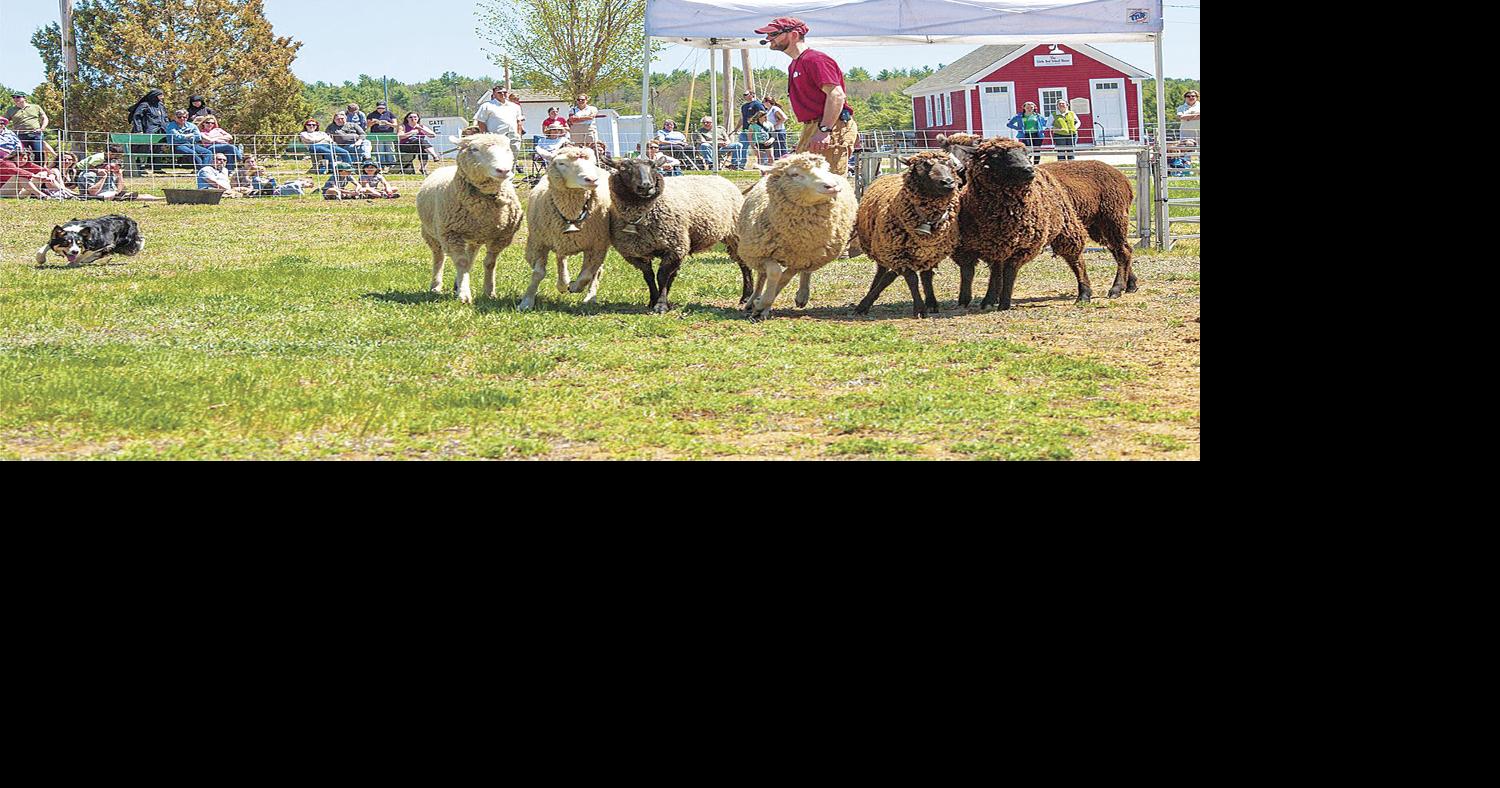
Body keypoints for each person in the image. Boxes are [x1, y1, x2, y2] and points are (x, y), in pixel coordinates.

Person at [757, 17, 859, 179]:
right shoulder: (795, 65)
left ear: (794, 35)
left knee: (827, 182)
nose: (768, 39)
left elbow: (836, 95)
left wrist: (824, 130)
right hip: (815, 126)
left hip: (831, 126)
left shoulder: (815, 60)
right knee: (803, 181)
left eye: (773, 34)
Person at [75, 146, 160, 201]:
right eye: (114, 159)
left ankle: (160, 199)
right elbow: (92, 193)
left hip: (113, 194)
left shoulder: (110, 173)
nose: (115, 166)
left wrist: (120, 176)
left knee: (142, 196)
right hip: (99, 194)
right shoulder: (92, 169)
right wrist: (102, 176)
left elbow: (119, 190)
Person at [473, 85, 524, 159]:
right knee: (497, 159)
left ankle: (511, 170)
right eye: (500, 93)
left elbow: (519, 121)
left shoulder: (515, 106)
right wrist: (486, 136)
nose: (503, 94)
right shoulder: (487, 106)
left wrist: (518, 135)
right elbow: (481, 122)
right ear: (494, 94)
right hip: (496, 138)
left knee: (512, 159)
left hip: (513, 137)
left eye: (505, 92)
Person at [126, 88, 171, 170]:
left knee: (158, 148)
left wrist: (168, 128)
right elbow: (137, 117)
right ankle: (138, 166)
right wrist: (138, 130)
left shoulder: (161, 105)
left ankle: (157, 168)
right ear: (155, 96)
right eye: (160, 95)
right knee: (144, 148)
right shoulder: (145, 105)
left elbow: (165, 118)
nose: (162, 97)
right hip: (148, 130)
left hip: (161, 130)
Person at [4, 92, 49, 161]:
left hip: (35, 134)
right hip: (19, 135)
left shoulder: (35, 107)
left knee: (38, 153)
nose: (15, 99)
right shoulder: (11, 110)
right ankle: (25, 170)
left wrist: (42, 128)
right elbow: (3, 121)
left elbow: (45, 118)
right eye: (14, 97)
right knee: (21, 154)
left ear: (24, 98)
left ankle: (40, 169)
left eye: (18, 97)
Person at [733, 89, 766, 168]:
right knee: (742, 147)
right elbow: (742, 118)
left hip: (755, 131)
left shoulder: (757, 104)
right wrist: (736, 128)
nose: (744, 96)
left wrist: (753, 120)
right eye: (744, 95)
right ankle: (740, 165)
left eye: (746, 94)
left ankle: (761, 164)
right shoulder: (744, 106)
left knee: (758, 148)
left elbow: (763, 115)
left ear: (752, 95)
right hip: (745, 130)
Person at [366, 100, 399, 167]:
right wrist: (374, 122)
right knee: (379, 150)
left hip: (388, 135)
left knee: (390, 149)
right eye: (379, 108)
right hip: (376, 135)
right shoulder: (371, 115)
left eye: (382, 108)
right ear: (376, 107)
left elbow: (395, 125)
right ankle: (381, 165)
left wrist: (387, 123)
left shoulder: (390, 114)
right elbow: (367, 126)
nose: (381, 109)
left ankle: (391, 165)